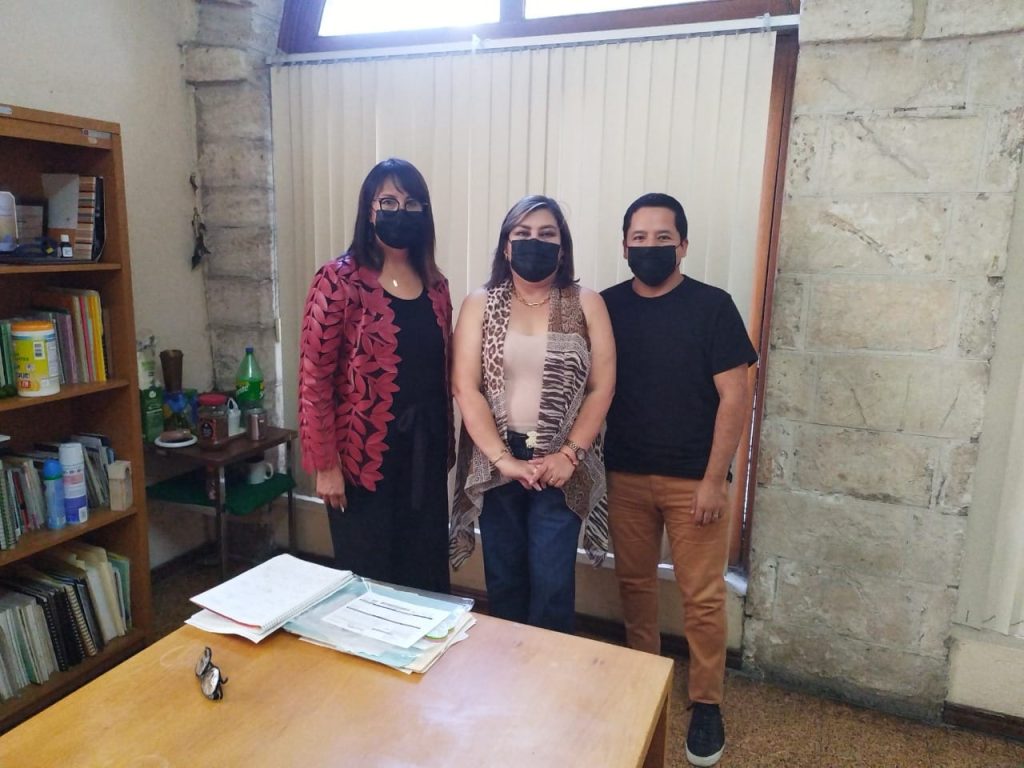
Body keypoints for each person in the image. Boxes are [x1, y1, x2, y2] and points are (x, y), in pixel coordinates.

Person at [601, 193, 757, 767]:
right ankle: (643, 681)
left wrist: (715, 479)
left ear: (683, 245)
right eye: (638, 238)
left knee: (703, 598)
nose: (650, 247)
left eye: (662, 238)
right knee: (635, 587)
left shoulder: (712, 307)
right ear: (624, 246)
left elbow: (736, 396)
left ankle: (707, 703)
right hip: (625, 476)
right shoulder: (606, 307)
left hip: (696, 484)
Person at [450, 195, 615, 634]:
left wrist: (569, 455)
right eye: (522, 234)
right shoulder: (480, 303)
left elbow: (601, 387)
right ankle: (508, 670)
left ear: (562, 248)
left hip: (560, 464)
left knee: (552, 586)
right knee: (504, 580)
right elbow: (466, 387)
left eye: (546, 234)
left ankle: (548, 672)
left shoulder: (586, 303)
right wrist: (503, 460)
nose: (533, 242)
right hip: (496, 461)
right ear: (506, 247)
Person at [298, 158, 453, 594]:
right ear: (369, 209)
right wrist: (326, 465)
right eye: (388, 201)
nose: (400, 211)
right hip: (361, 462)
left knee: (425, 580)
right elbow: (314, 379)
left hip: (423, 457)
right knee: (371, 585)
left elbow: (441, 373)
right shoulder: (338, 280)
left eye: (411, 203)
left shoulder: (436, 286)